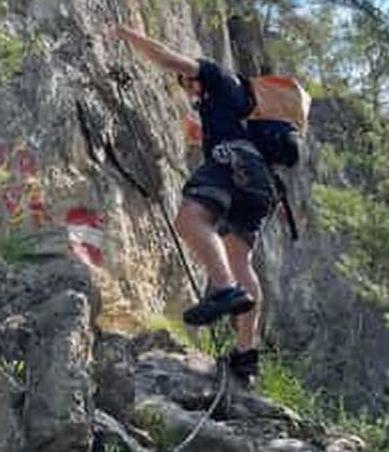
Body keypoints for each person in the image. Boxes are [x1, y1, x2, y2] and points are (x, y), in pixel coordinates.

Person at [111, 23, 276, 385]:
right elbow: (217, 131)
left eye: (188, 85)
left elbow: (168, 58)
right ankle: (246, 354)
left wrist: (127, 35)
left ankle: (224, 287)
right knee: (240, 257)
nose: (188, 91)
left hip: (231, 162)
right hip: (261, 183)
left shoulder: (216, 76)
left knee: (189, 221)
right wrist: (197, 131)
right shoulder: (241, 103)